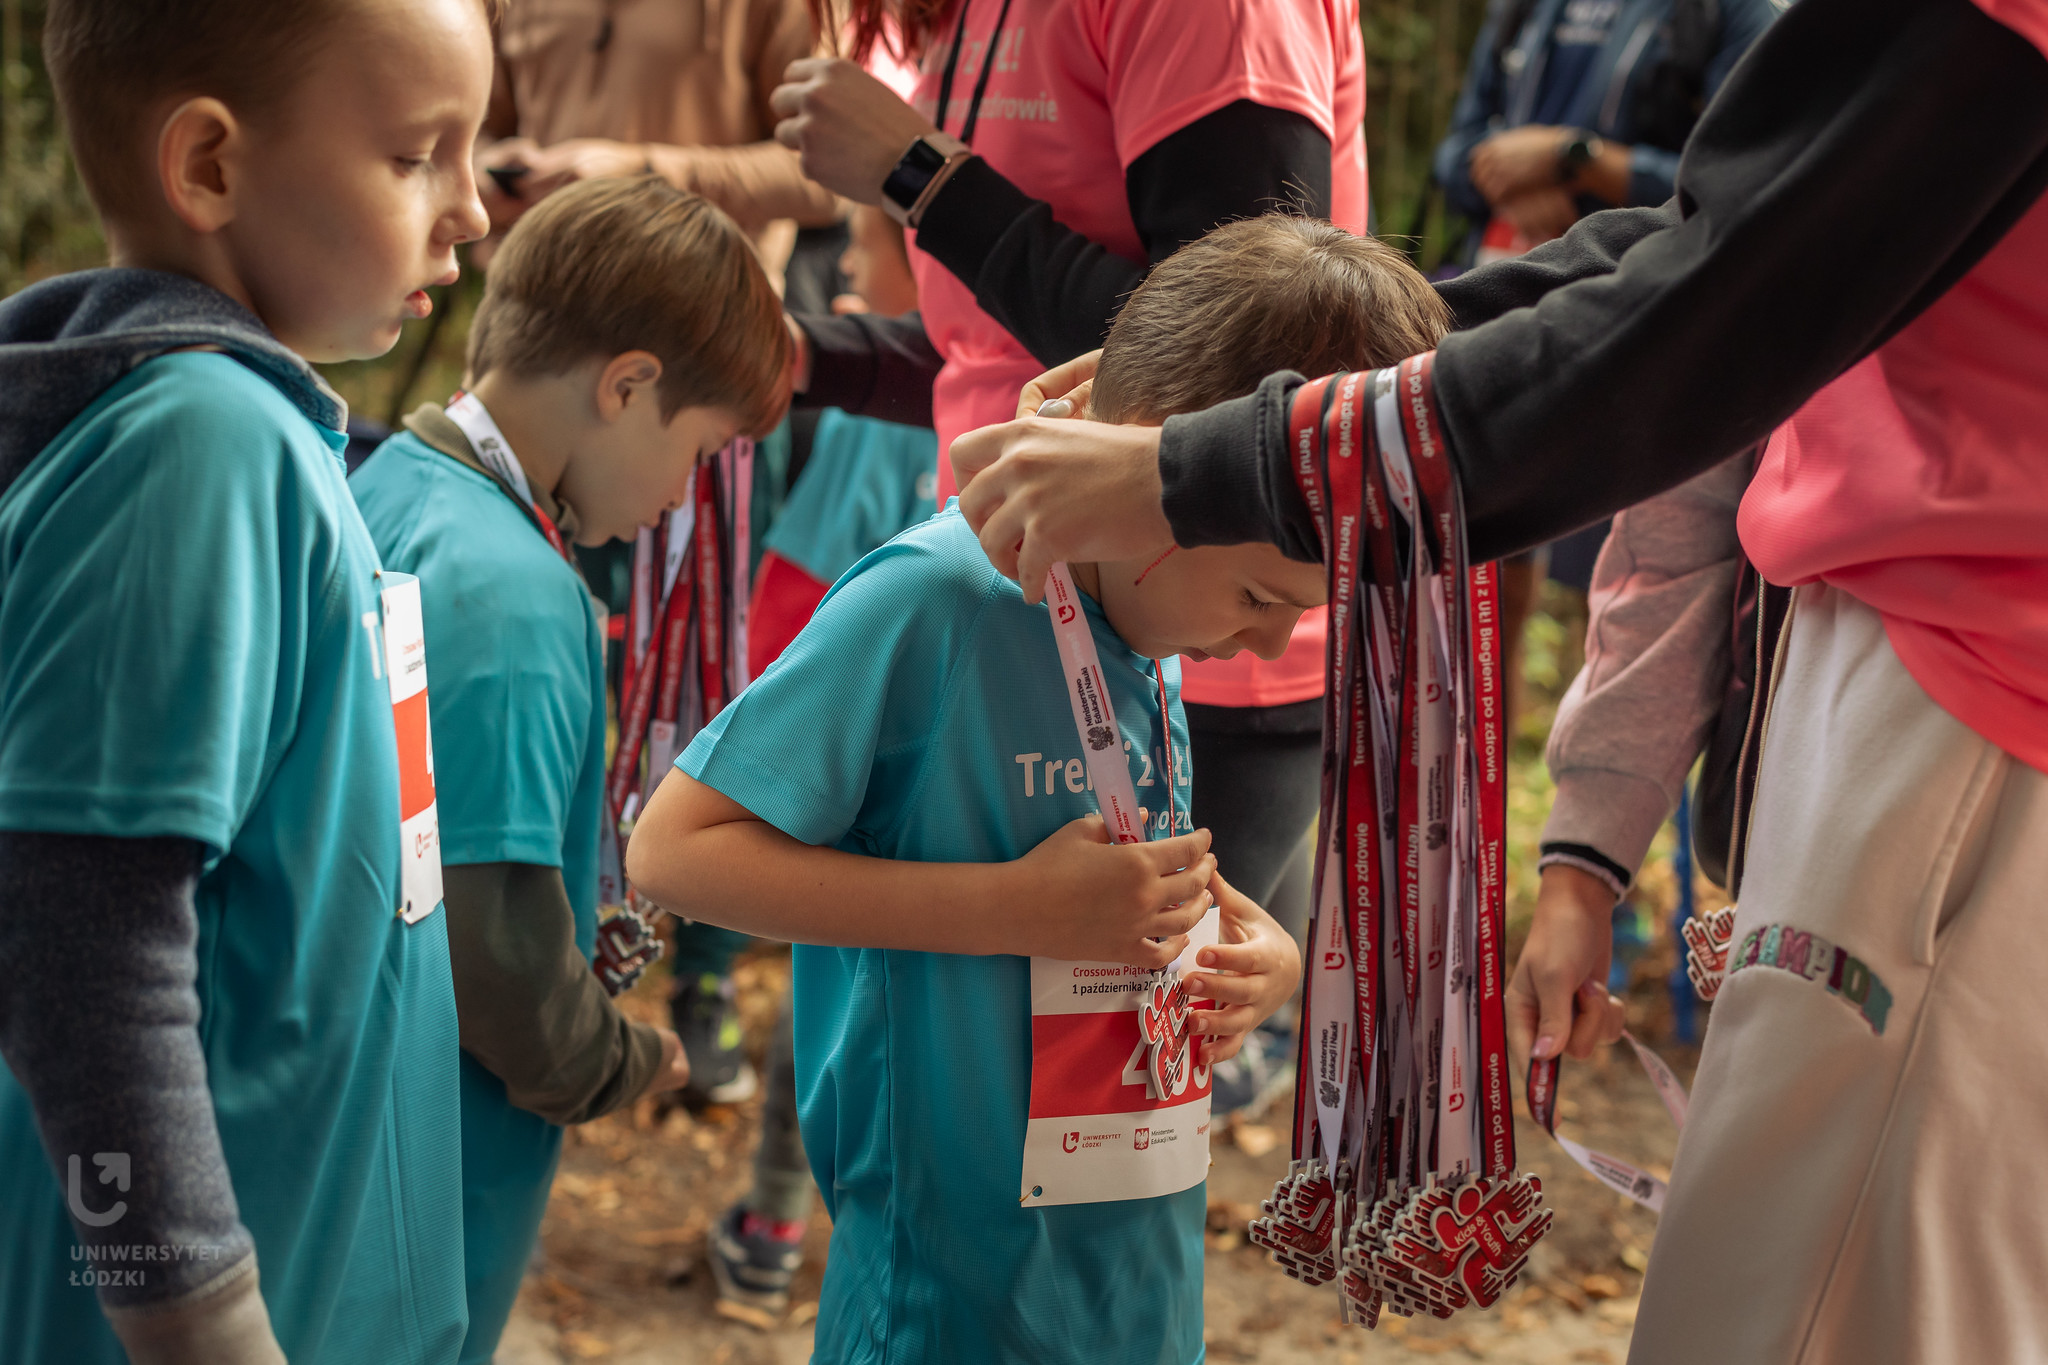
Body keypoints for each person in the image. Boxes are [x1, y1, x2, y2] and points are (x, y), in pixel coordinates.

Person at [951, 0, 2048, 1358]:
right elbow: (1701, 249)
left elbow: (1710, 305)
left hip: (1972, 703)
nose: (1242, 639)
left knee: (1810, 1309)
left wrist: (1218, 466)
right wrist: (1248, 405)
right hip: (1935, 682)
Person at [624, 212, 1451, 1364]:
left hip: (1129, 1268)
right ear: (1146, 463)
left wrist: (1245, 940)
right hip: (946, 1295)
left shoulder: (1137, 603)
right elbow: (672, 852)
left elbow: (1109, 862)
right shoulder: (934, 603)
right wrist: (1011, 911)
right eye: (1259, 599)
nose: (1265, 652)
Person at [0, 1, 497, 1362]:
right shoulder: (200, 443)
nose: (471, 211)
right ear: (210, 167)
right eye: (418, 155)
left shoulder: (252, 427)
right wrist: (202, 1317)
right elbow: (80, 930)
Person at [773, 0, 1367, 1112]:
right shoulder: (918, 592)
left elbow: (1231, 368)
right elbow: (1001, 358)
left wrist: (923, 180)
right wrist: (815, 363)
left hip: (1187, 637)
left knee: (1099, 1099)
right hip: (1010, 590)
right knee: (980, 1073)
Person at [349, 176, 792, 1364]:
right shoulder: (514, 593)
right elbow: (492, 949)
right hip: (431, 1163)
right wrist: (622, 1059)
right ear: (628, 385)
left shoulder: (391, 483)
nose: (675, 505)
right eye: (697, 455)